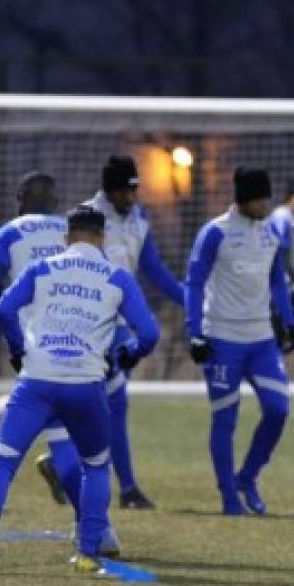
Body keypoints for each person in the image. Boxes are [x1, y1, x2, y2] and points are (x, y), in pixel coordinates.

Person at [0, 206, 160, 575]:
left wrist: (18, 349)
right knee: (96, 465)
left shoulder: (43, 268)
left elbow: (4, 307)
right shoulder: (117, 276)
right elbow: (150, 334)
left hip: (37, 382)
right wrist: (125, 356)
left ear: (67, 238)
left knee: (3, 460)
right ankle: (87, 551)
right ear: (103, 240)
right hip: (85, 385)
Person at [0, 172, 117, 554]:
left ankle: (90, 522)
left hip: (36, 353)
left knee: (51, 443)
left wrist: (19, 312)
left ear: (20, 198)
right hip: (83, 351)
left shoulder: (8, 234)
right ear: (56, 201)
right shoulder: (77, 234)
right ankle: (96, 529)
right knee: (81, 445)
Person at [185, 166, 294, 516]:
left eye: (268, 197)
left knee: (278, 409)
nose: (267, 204)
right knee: (225, 419)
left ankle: (247, 477)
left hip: (262, 341)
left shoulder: (271, 234)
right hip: (223, 340)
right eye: (260, 198)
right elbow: (194, 282)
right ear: (244, 199)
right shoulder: (214, 233)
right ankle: (228, 497)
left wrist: (290, 321)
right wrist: (195, 331)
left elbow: (278, 281)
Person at [85, 155, 184, 509]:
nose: (133, 196)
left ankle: (123, 486)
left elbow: (153, 269)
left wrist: (189, 299)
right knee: (100, 402)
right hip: (85, 324)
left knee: (112, 404)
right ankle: (116, 484)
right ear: (109, 190)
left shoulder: (140, 219)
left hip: (119, 326)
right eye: (127, 190)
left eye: (135, 189)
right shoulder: (85, 218)